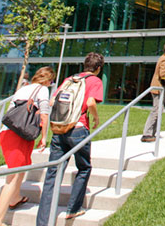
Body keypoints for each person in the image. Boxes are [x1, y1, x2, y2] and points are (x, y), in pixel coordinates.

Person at [36, 52, 104, 224]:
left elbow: (52, 102)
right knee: (84, 167)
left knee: (52, 174)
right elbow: (90, 103)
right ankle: (72, 209)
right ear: (98, 68)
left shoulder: (70, 79)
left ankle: (43, 221)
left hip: (59, 130)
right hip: (78, 129)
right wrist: (95, 118)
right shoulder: (95, 80)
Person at [0, 66, 54, 226]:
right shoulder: (42, 90)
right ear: (48, 80)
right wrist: (44, 137)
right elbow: (44, 114)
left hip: (9, 132)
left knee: (21, 168)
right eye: (51, 81)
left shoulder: (23, 89)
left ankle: (15, 198)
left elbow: (11, 113)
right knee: (13, 176)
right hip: (19, 136)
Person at [141, 41, 165, 143]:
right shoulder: (164, 59)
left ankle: (151, 134)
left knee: (158, 110)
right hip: (158, 88)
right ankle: (147, 134)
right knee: (156, 111)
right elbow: (162, 74)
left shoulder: (164, 59)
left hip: (160, 87)